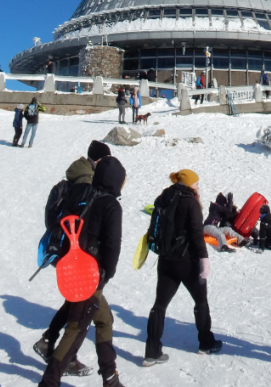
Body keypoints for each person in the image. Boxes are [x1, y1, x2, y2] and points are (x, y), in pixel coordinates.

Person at [38, 154, 127, 387]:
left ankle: (110, 378)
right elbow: (112, 245)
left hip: (72, 265)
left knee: (104, 319)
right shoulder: (111, 205)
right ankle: (49, 382)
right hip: (90, 274)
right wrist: (108, 273)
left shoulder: (83, 193)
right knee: (76, 329)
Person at [144, 169, 222, 365]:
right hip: (187, 262)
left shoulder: (165, 197)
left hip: (165, 260)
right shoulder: (190, 202)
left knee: (159, 305)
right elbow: (196, 234)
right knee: (201, 301)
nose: (198, 185)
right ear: (189, 185)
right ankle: (206, 344)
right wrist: (204, 259)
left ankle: (151, 352)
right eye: (196, 183)